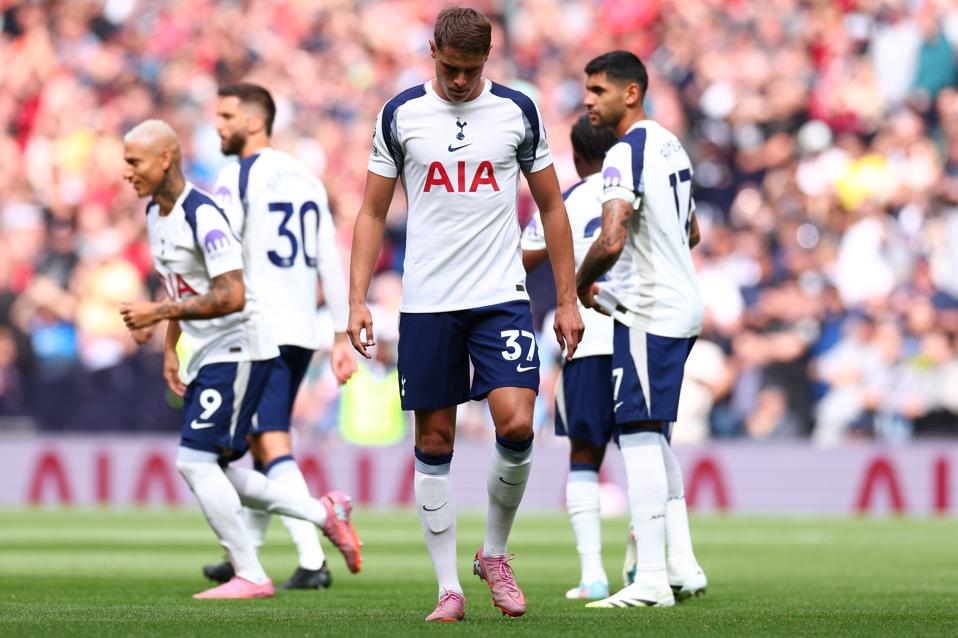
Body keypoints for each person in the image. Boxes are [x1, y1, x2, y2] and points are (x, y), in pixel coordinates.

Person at [347, 7, 584, 622]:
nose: (458, 81)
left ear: (488, 60)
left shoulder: (516, 111)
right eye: (450, 69)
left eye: (470, 70)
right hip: (427, 304)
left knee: (516, 425)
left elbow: (553, 207)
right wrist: (357, 299)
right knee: (434, 440)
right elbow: (372, 212)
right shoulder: (400, 114)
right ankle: (449, 587)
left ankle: (495, 554)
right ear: (432, 52)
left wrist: (565, 297)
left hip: (500, 296)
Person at [119, 119, 361, 600]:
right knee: (221, 468)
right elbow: (183, 287)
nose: (127, 172)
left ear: (165, 158)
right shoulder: (154, 213)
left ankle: (250, 572)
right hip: (208, 351)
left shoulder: (204, 215)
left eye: (134, 161)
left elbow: (230, 294)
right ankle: (321, 514)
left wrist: (157, 312)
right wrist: (171, 346)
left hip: (242, 346)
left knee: (195, 461)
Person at [196, 83, 358, 590]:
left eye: (226, 116)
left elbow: (220, 255)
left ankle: (313, 555)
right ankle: (247, 551)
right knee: (255, 444)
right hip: (299, 329)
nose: (217, 125)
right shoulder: (307, 178)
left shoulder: (236, 176)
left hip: (256, 327)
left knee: (266, 443)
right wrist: (336, 332)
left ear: (254, 121)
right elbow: (329, 261)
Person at [574, 51, 707, 609]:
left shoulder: (625, 153)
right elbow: (692, 230)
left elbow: (610, 240)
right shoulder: (670, 144)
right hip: (678, 303)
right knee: (649, 431)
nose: (588, 101)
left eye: (598, 90)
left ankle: (651, 577)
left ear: (631, 93)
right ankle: (682, 565)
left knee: (637, 435)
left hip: (649, 312)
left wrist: (582, 286)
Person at [520, 114, 618, 600]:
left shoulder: (572, 200)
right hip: (641, 335)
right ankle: (654, 570)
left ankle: (593, 575)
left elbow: (520, 256)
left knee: (584, 455)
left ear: (576, 158)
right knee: (648, 450)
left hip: (588, 340)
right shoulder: (635, 193)